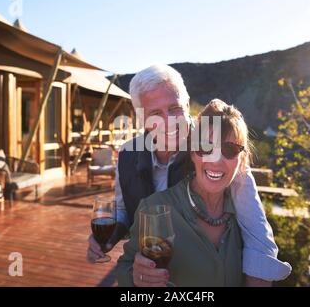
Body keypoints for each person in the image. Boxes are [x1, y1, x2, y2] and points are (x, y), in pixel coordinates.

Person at [87, 65, 291, 285]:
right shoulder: (128, 154)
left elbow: (256, 230)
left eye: (175, 108)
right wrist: (108, 237)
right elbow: (124, 209)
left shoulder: (215, 142)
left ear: (187, 105)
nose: (169, 121)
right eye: (155, 113)